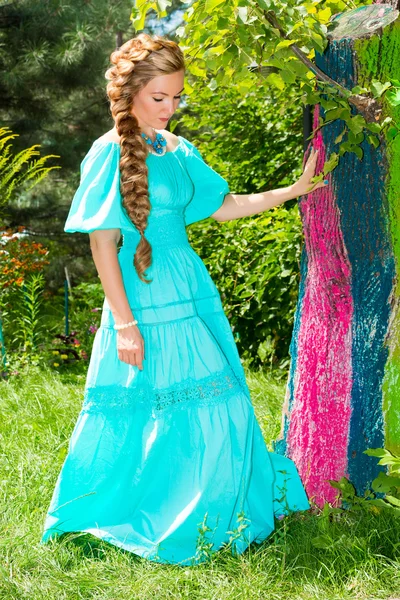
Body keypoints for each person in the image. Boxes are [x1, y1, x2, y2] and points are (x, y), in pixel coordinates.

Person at [40, 32, 327, 566]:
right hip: (140, 299)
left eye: (176, 97)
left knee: (217, 403)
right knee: (157, 409)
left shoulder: (175, 149)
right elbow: (102, 244)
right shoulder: (107, 152)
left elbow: (222, 206)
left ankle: (213, 514)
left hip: (189, 288)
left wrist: (292, 191)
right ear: (129, 95)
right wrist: (124, 325)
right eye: (160, 98)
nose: (171, 109)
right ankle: (153, 516)